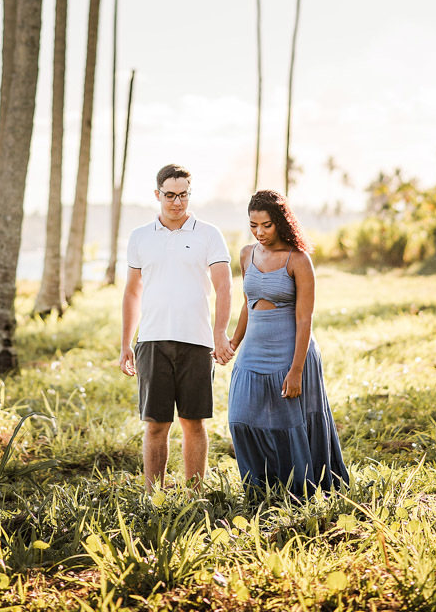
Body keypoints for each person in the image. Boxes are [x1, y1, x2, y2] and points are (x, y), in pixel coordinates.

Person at [120, 163, 234, 489]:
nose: (177, 203)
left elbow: (224, 287)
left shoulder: (209, 234)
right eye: (170, 195)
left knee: (193, 423)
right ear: (157, 194)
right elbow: (132, 291)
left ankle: (193, 496)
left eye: (183, 195)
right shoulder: (140, 237)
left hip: (197, 342)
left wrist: (219, 332)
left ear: (189, 194)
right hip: (152, 341)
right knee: (156, 426)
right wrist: (126, 342)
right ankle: (152, 496)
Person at [228, 189, 348, 498]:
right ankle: (259, 487)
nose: (259, 232)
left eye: (266, 225)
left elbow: (304, 319)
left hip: (292, 352)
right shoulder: (246, 254)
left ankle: (299, 490)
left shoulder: (298, 260)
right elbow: (247, 304)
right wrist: (233, 343)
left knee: (290, 425)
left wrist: (296, 371)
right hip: (254, 350)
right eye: (253, 225)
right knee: (241, 419)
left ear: (281, 221)